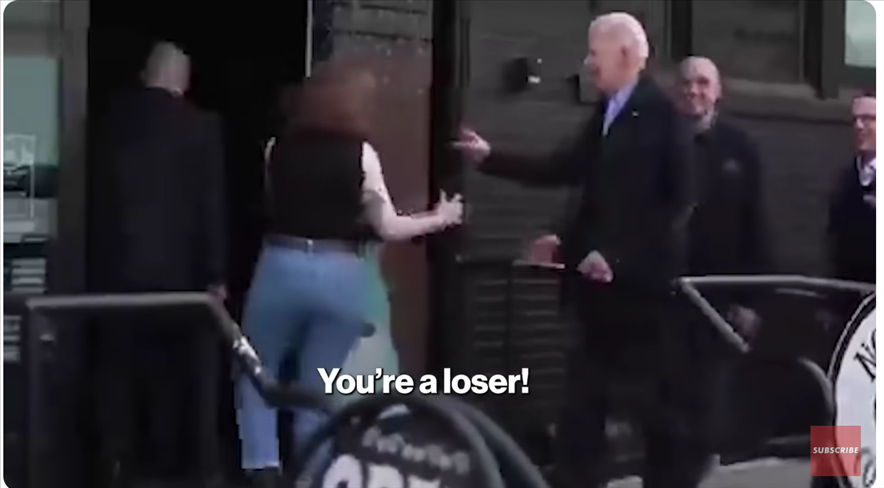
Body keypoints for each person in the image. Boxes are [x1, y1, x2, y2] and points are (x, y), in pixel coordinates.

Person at [454, 12, 702, 488]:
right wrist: (491, 158)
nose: (587, 63)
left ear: (625, 55)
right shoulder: (607, 112)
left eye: (594, 52)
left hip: (641, 296)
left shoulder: (661, 115)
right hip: (595, 291)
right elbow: (569, 170)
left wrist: (618, 257)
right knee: (583, 405)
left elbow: (678, 201)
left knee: (654, 411)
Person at [236, 61, 463, 488]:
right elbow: (389, 228)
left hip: (280, 265)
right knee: (319, 386)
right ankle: (314, 472)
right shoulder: (361, 154)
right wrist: (441, 217)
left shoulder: (276, 148)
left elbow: (276, 205)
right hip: (340, 274)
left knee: (256, 370)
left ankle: (262, 466)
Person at [91, 42, 227, 487]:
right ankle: (166, 458)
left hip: (114, 267)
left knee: (115, 366)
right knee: (170, 368)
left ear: (143, 74)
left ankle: (113, 460)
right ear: (181, 80)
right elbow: (209, 206)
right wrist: (215, 273)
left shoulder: (108, 120)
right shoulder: (201, 126)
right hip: (178, 275)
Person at [827, 92, 876, 286]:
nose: (859, 126)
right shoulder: (844, 180)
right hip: (849, 292)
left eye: (869, 118)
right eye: (855, 120)